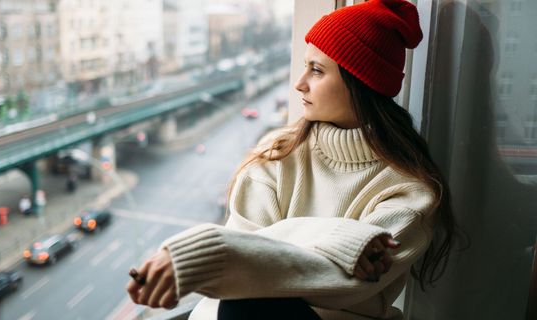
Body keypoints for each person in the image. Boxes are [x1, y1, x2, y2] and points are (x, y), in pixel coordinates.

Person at [126, 1, 456, 319]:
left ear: (361, 82)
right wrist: (343, 238)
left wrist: (211, 252)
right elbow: (245, 271)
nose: (300, 84)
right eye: (304, 66)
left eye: (316, 70)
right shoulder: (278, 153)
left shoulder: (410, 193)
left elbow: (333, 283)